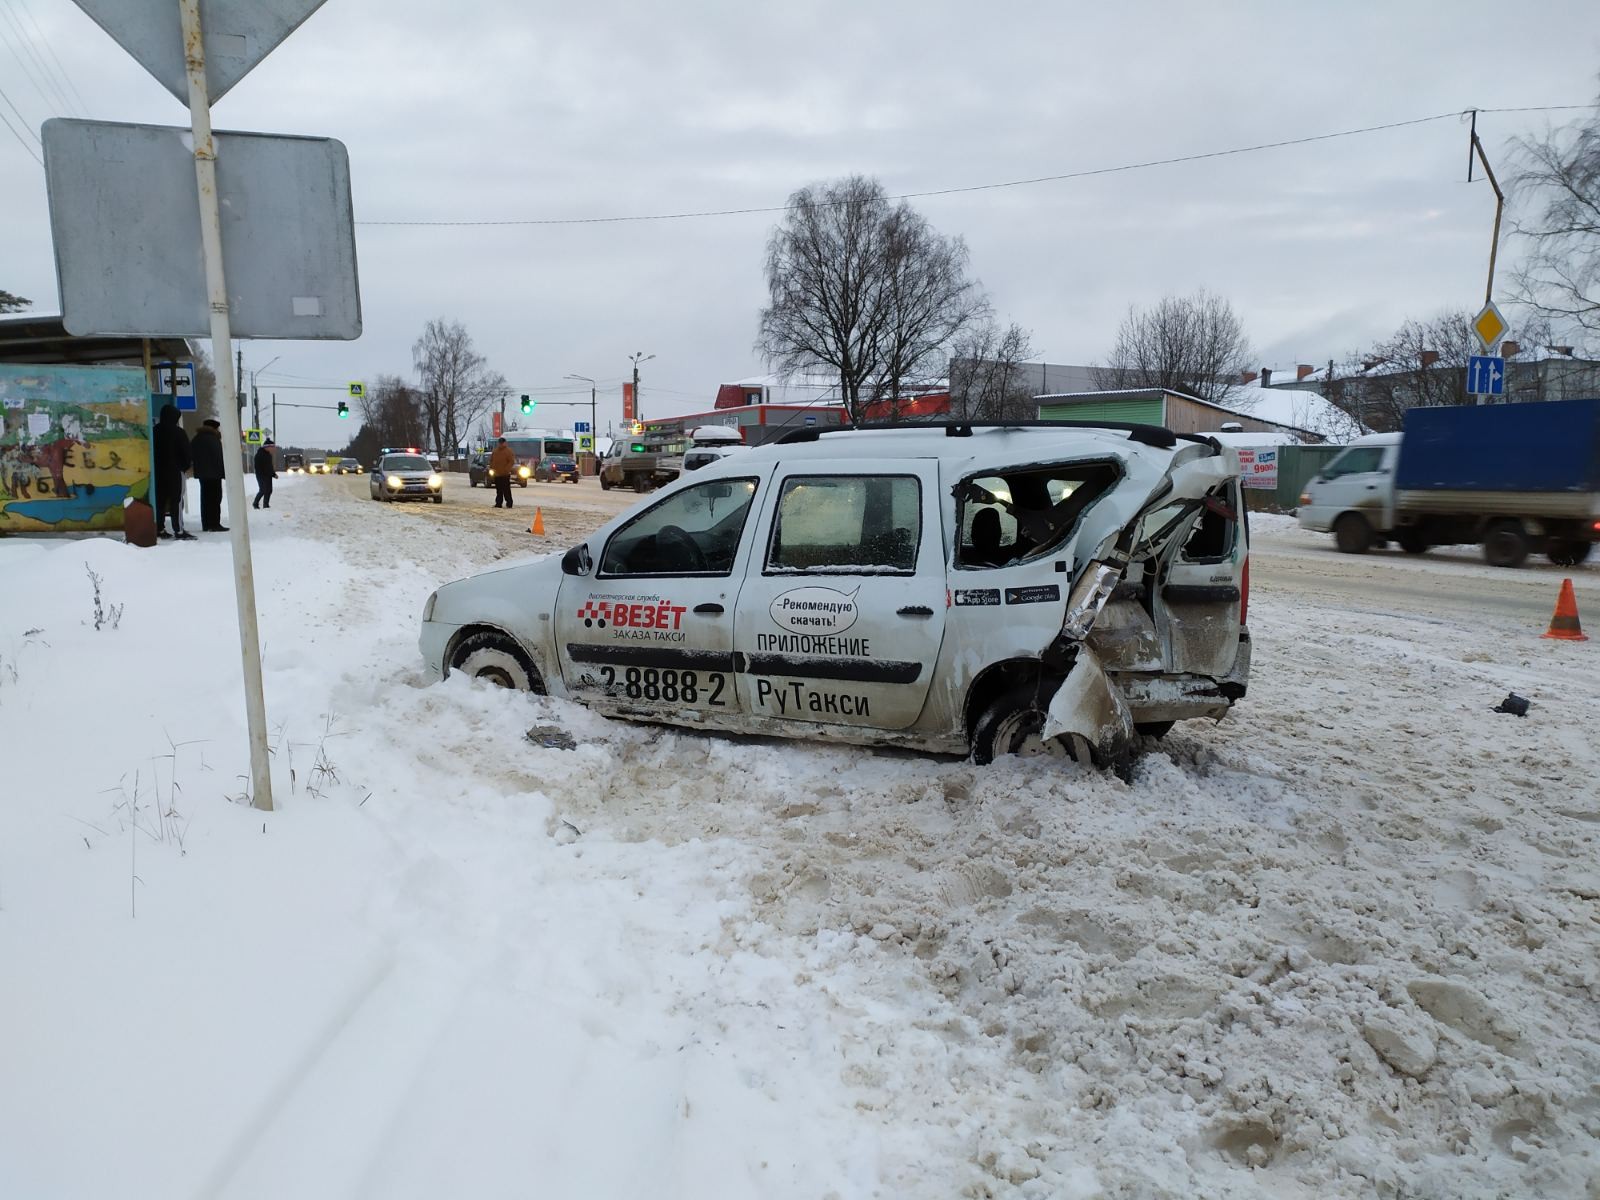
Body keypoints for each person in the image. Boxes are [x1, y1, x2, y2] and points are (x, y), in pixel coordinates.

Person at [151, 403, 194, 540]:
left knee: (160, 500)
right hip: (175, 472)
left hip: (157, 472)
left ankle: (159, 528)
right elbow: (187, 453)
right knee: (177, 500)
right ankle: (179, 530)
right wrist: (184, 467)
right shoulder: (178, 432)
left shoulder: (154, 431)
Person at [190, 417, 228, 532]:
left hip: (202, 474)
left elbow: (191, 453)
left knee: (205, 499)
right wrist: (225, 472)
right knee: (215, 499)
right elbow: (220, 457)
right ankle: (214, 523)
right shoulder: (214, 439)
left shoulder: (197, 438)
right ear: (215, 428)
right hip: (214, 474)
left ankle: (206, 524)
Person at [489, 437, 516, 509]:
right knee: (499, 490)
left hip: (505, 474)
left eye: (502, 443)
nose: (501, 444)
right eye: (500, 443)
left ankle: (509, 503)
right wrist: (492, 468)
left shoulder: (508, 451)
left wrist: (506, 469)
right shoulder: (495, 451)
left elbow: (511, 461)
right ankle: (498, 503)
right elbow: (491, 460)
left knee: (506, 490)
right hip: (497, 474)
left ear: (505, 443)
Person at [253, 439, 277, 509]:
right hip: (261, 475)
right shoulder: (259, 454)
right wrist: (264, 473)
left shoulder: (269, 455)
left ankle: (266, 505)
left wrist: (273, 474)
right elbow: (258, 467)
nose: (273, 449)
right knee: (263, 490)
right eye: (272, 447)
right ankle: (255, 503)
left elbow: (270, 466)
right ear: (267, 447)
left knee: (269, 490)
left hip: (268, 475)